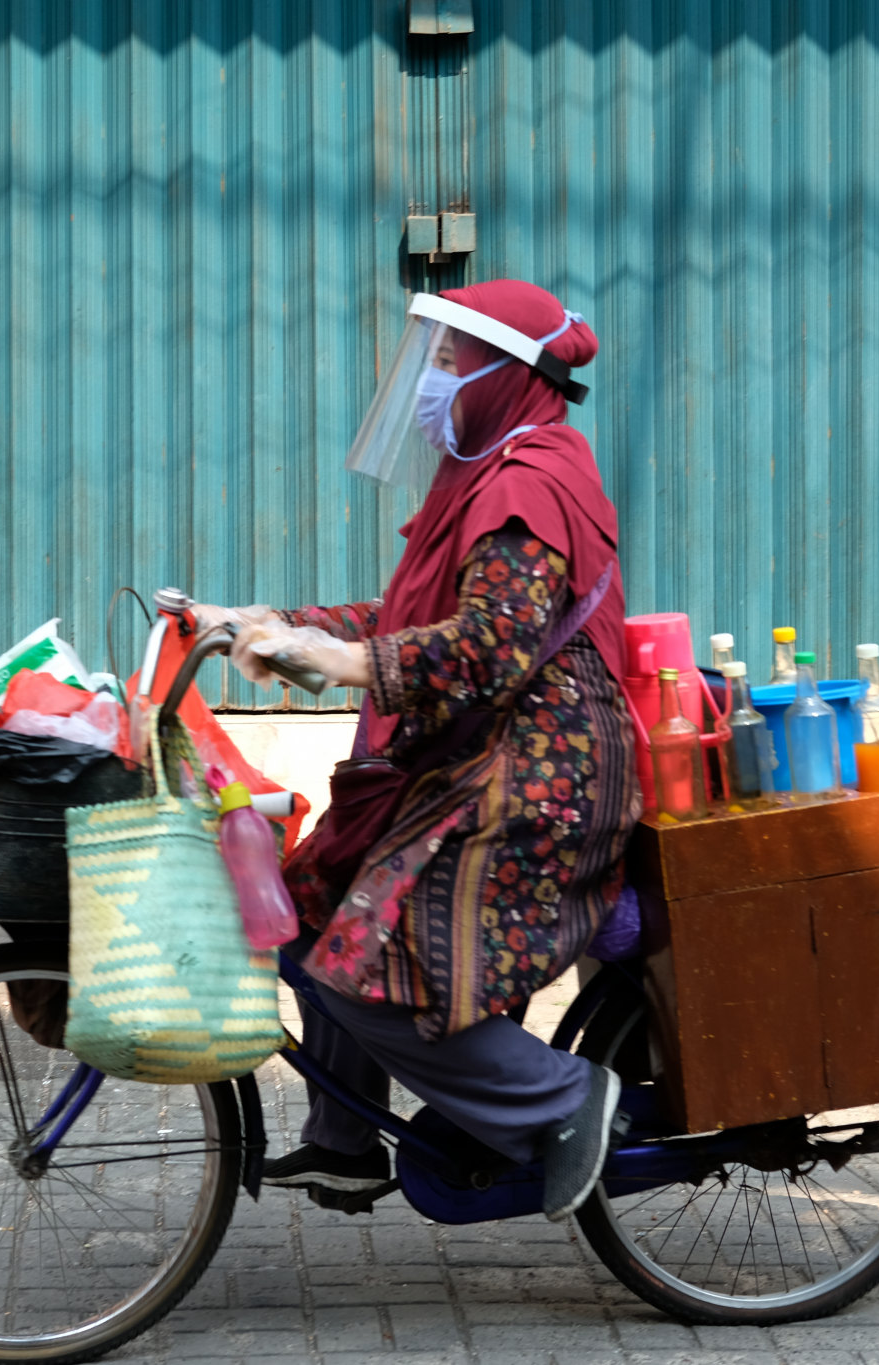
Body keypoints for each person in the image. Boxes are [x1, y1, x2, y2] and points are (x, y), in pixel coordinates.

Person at [193, 279, 640, 1223]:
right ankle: (346, 1143)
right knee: (310, 911)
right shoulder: (482, 477)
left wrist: (348, 660)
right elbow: (409, 621)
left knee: (361, 957)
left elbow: (488, 647)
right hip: (488, 757)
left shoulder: (527, 486)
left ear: (503, 377)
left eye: (446, 365)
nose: (431, 384)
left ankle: (564, 1100)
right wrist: (273, 623)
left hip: (539, 775)